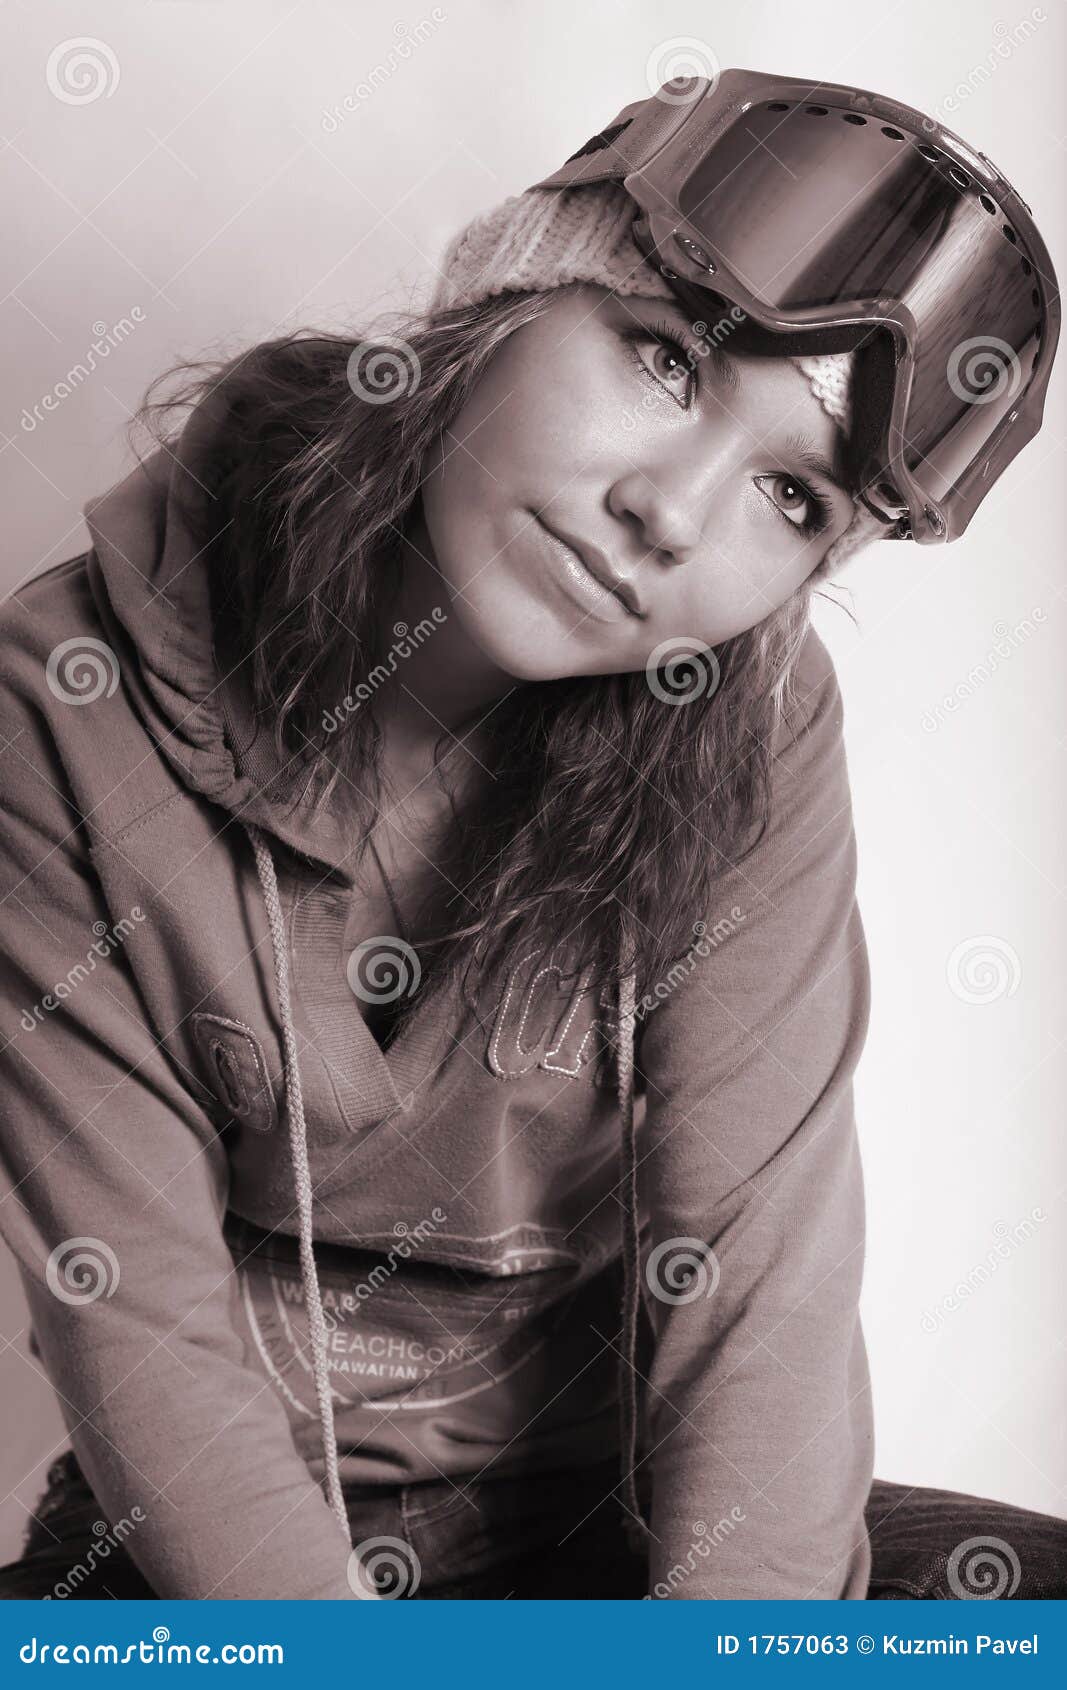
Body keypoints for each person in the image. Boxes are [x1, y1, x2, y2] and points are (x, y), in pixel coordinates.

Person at [0, 67, 1064, 1602]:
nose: (673, 514)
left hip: (602, 1528)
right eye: (666, 359)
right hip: (204, 1559)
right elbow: (141, 1331)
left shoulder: (752, 723)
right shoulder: (58, 701)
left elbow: (760, 1286)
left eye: (789, 494)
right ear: (506, 287)